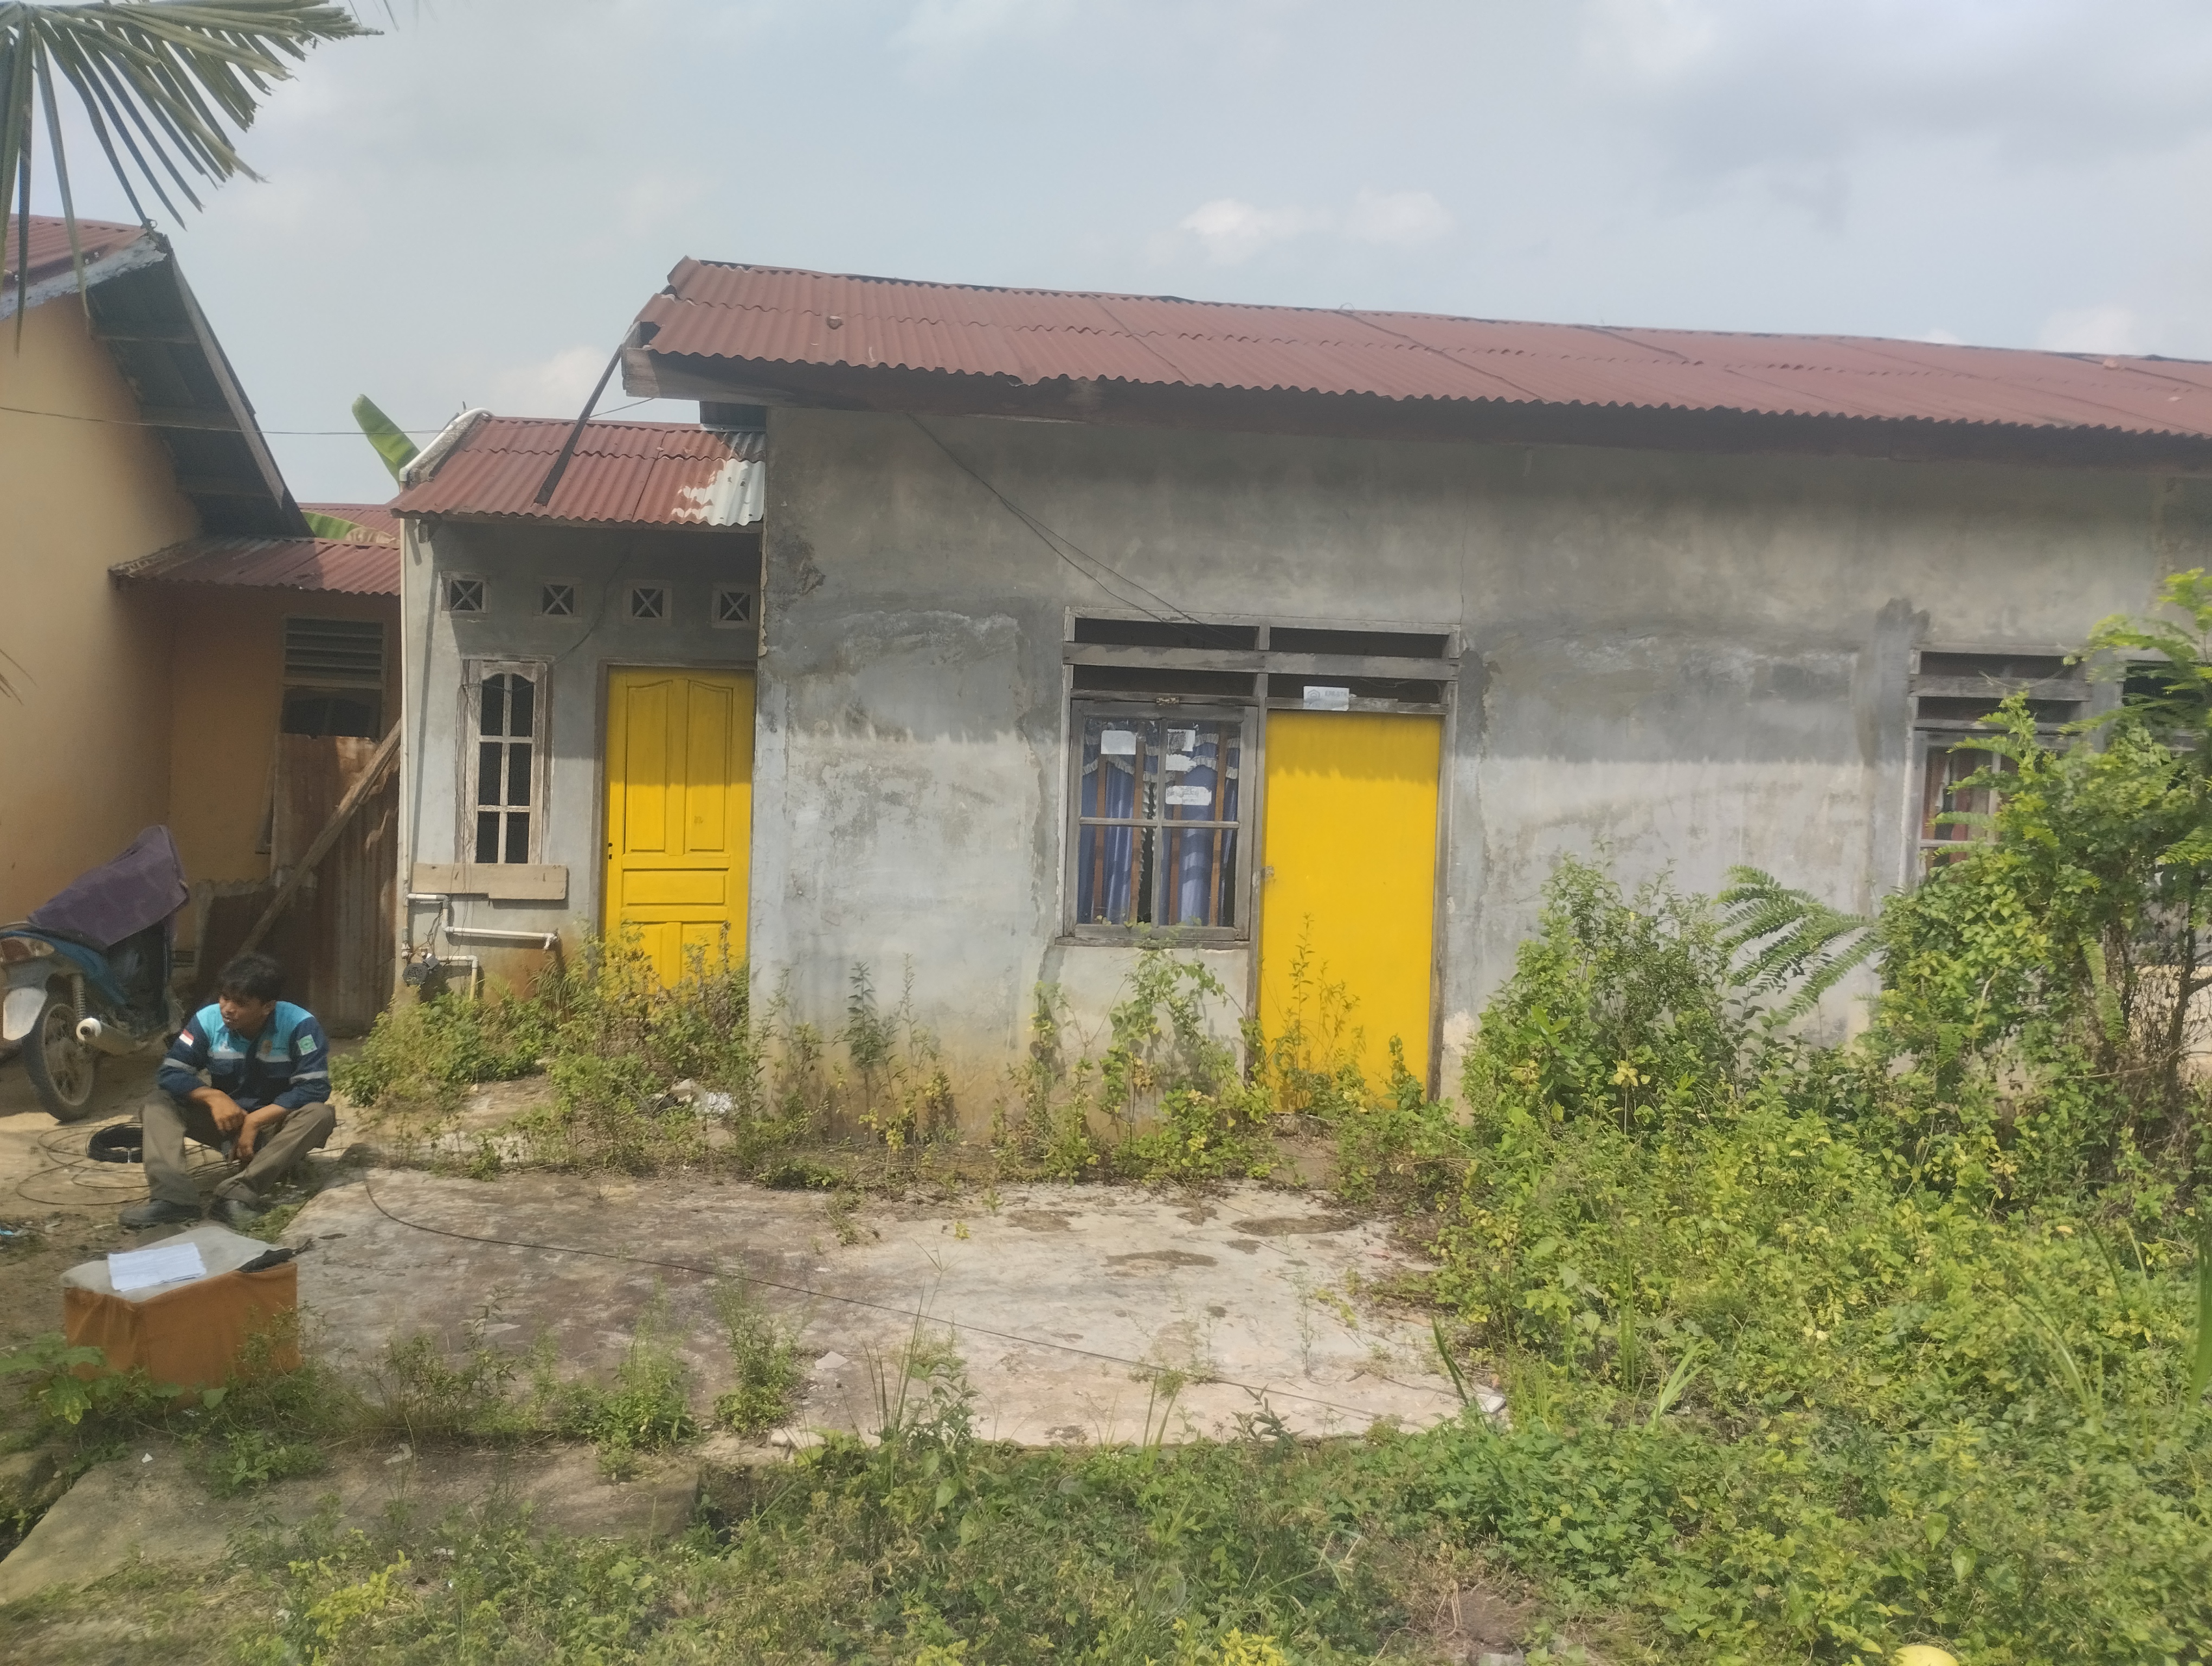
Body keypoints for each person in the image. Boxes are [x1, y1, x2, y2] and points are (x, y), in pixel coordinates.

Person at [120, 952, 337, 1230]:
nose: (228, 1009)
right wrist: (213, 1097)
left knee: (319, 1115)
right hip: (226, 1122)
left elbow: (314, 1087)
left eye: (241, 1003)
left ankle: (238, 1194)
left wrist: (255, 1121)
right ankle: (173, 1200)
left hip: (276, 1132)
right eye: (224, 997)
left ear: (268, 1007)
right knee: (159, 1102)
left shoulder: (300, 1025)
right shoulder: (207, 1021)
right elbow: (170, 1073)